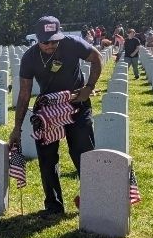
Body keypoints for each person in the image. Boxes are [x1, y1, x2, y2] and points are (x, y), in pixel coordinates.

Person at [9, 16, 104, 216]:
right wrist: (17, 127)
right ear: (37, 39)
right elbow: (24, 92)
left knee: (82, 153)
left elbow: (97, 58)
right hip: (48, 110)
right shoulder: (30, 57)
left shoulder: (72, 44)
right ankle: (53, 205)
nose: (51, 45)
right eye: (46, 41)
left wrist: (89, 87)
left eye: (54, 40)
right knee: (47, 158)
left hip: (76, 103)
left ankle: (94, 200)